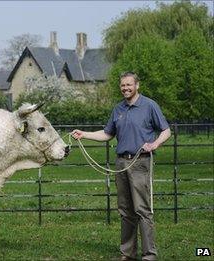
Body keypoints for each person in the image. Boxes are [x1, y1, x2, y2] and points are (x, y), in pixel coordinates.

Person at [72, 72, 171, 261]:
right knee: (125, 210)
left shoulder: (150, 106)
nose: (125, 88)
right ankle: (128, 253)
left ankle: (149, 255)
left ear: (137, 85)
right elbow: (107, 134)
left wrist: (155, 144)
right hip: (121, 163)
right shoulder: (118, 109)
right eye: (123, 86)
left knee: (142, 209)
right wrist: (84, 134)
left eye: (129, 85)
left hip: (141, 162)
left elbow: (166, 130)